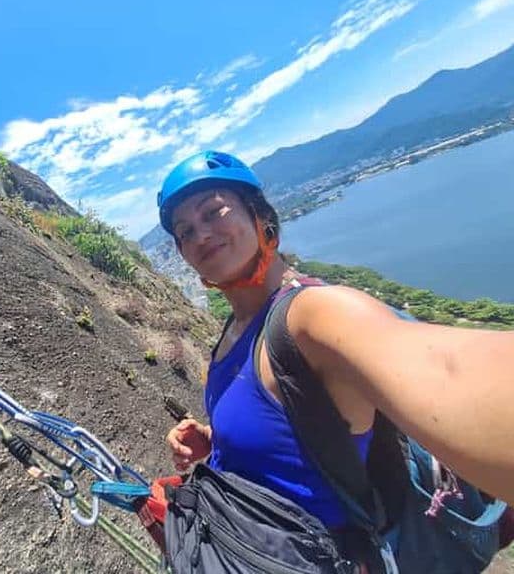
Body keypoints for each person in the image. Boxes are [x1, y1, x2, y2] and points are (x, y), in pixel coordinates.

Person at [159, 149, 514, 518]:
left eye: (213, 211)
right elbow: (287, 440)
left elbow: (447, 371)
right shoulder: (234, 332)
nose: (200, 234)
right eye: (185, 231)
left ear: (259, 213)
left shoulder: (315, 317)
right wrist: (218, 441)